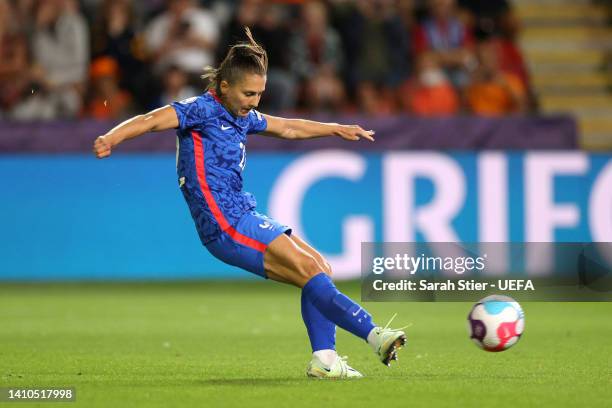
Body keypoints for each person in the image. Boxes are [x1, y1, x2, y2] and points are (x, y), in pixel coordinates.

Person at [93, 28, 407, 379]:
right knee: (312, 271)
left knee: (320, 268)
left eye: (259, 93)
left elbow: (287, 127)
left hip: (242, 213)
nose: (254, 101)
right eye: (248, 93)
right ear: (224, 86)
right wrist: (112, 137)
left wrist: (333, 128)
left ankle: (325, 361)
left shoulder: (241, 116)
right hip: (222, 223)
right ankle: (374, 334)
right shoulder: (199, 110)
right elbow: (152, 120)